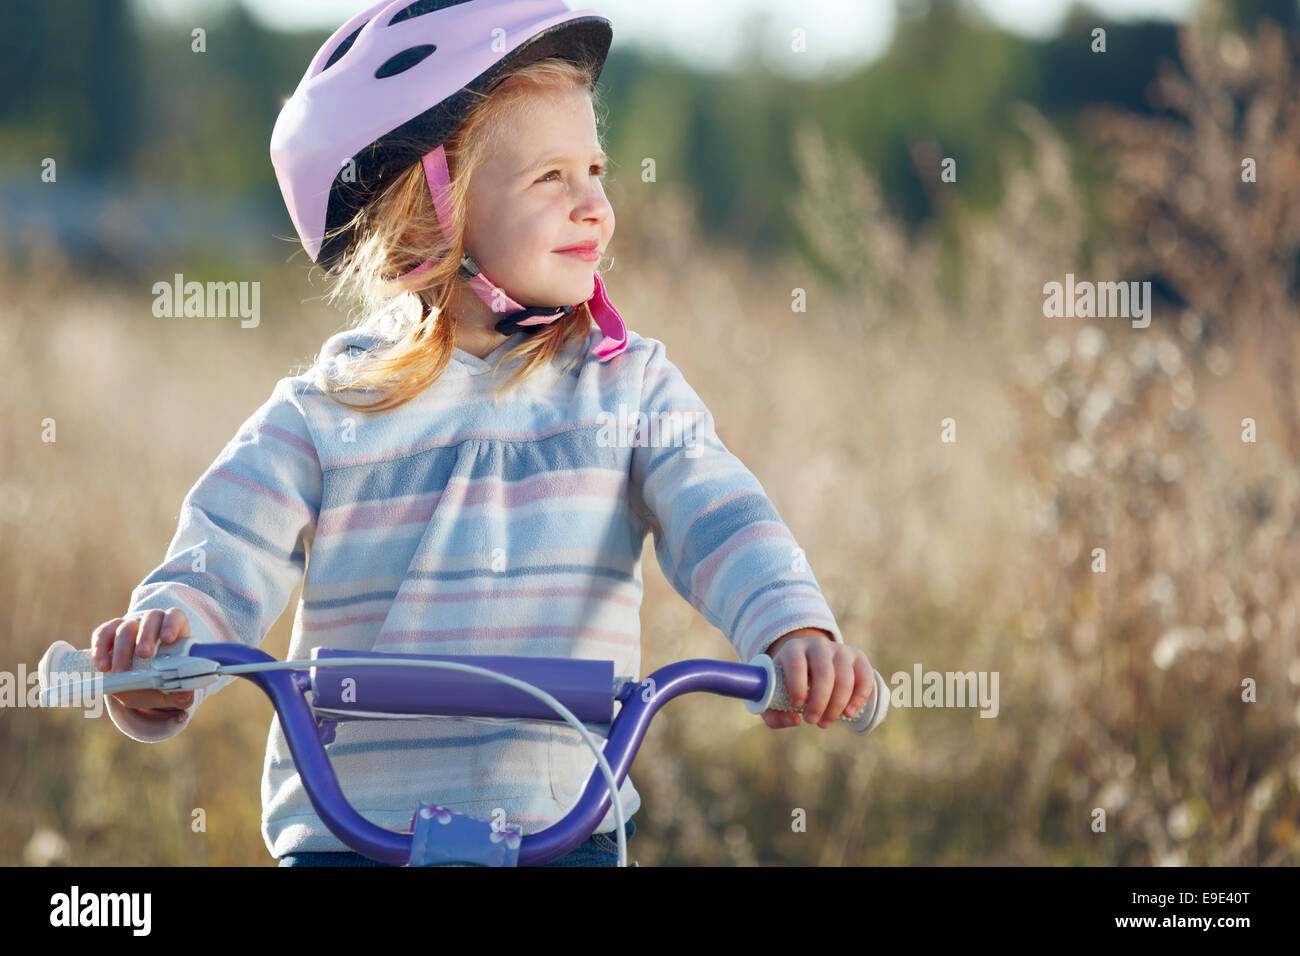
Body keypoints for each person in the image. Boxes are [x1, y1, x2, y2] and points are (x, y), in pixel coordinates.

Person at [91, 0, 877, 867]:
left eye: (596, 170)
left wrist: (789, 628)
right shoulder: (327, 411)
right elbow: (226, 543)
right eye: (551, 179)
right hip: (351, 839)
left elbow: (719, 512)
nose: (596, 210)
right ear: (426, 220)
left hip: (564, 828)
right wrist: (165, 647)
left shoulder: (628, 387)